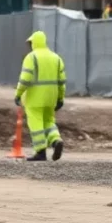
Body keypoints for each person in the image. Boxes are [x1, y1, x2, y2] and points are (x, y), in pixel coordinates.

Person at [14, 31, 66, 161]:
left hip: (34, 98)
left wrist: (18, 94)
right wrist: (60, 98)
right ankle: (56, 141)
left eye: (31, 43)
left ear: (34, 42)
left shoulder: (31, 57)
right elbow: (62, 82)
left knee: (36, 123)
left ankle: (40, 151)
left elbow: (25, 79)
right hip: (51, 98)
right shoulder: (56, 58)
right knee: (49, 121)